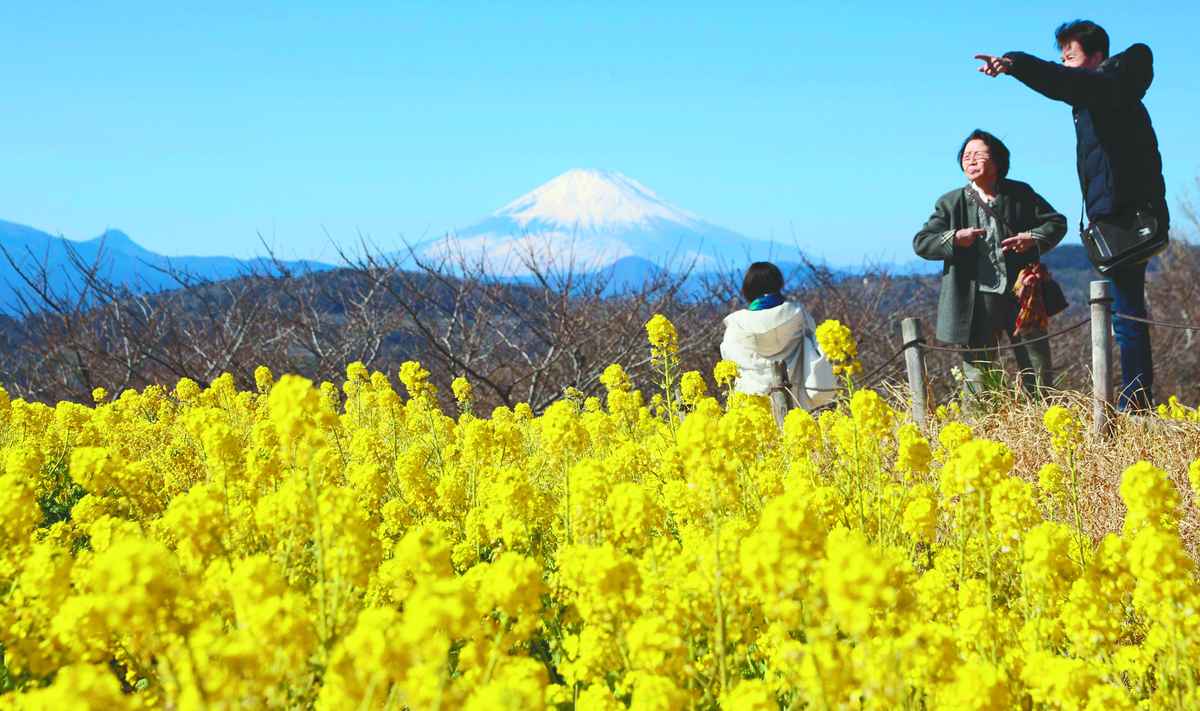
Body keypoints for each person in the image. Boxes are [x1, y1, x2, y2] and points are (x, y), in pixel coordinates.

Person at [974, 20, 1167, 411]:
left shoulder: (1108, 87)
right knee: (1124, 313)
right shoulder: (1101, 94)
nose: (1064, 63)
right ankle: (1133, 399)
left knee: (1126, 316)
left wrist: (1013, 64)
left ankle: (1135, 403)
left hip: (1125, 220)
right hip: (1115, 219)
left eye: (1070, 56)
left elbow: (1062, 82)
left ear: (1096, 57)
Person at [914, 129, 1067, 399]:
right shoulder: (951, 202)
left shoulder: (1020, 194)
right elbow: (922, 242)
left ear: (997, 163)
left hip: (1023, 294)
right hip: (976, 299)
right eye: (966, 156)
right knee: (978, 373)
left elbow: (1056, 222)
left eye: (978, 155)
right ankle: (980, 427)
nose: (970, 161)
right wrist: (955, 238)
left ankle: (1042, 422)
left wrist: (1032, 238)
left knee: (1037, 365)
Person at [719, 262, 832, 410]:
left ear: (747, 290)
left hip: (752, 411)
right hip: (797, 408)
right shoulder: (799, 316)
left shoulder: (736, 327)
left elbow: (730, 362)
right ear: (778, 284)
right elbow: (816, 349)